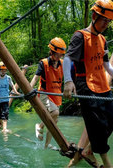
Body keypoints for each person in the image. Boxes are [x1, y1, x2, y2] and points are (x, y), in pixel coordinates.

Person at [63, 0, 113, 167]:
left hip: (102, 86)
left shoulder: (103, 40)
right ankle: (106, 162)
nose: (106, 24)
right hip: (86, 85)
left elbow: (106, 65)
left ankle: (87, 149)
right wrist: (68, 82)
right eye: (104, 20)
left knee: (110, 119)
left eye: (109, 21)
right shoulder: (80, 36)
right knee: (97, 123)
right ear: (94, 16)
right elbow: (68, 58)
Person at [30, 37, 66, 149]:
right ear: (51, 52)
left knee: (53, 123)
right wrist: (29, 89)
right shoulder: (44, 63)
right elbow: (36, 78)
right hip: (44, 93)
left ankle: (46, 145)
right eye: (57, 54)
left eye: (61, 54)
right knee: (55, 113)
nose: (59, 56)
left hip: (56, 94)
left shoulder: (62, 63)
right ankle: (39, 126)